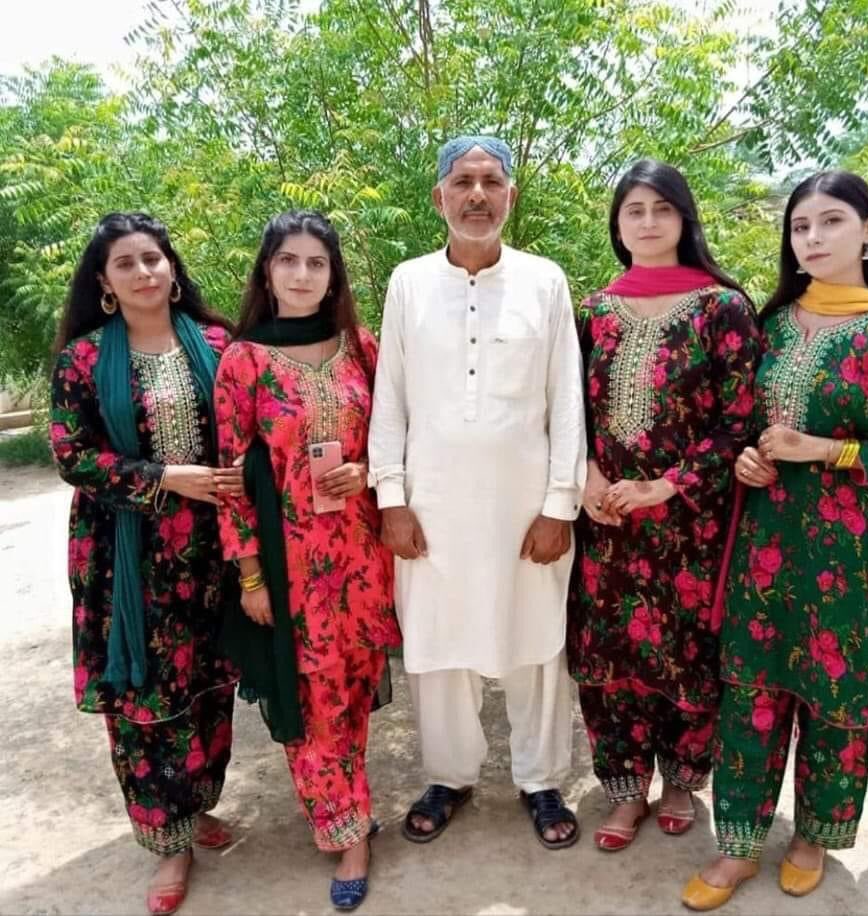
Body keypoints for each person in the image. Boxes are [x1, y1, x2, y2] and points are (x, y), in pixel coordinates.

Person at [682, 171, 868, 911]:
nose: (813, 239)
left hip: (851, 552)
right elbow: (746, 424)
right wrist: (748, 458)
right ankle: (736, 846)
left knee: (835, 694)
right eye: (801, 227)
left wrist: (829, 450)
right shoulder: (772, 324)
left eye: (831, 222)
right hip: (766, 543)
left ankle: (812, 839)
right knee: (752, 690)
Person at [368, 135, 587, 849]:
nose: (477, 196)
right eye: (462, 182)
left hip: (525, 507)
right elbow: (390, 397)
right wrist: (391, 497)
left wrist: (561, 504)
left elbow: (566, 402)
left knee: (534, 644)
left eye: (492, 182)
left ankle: (542, 779)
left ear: (511, 197)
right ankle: (451, 775)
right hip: (431, 506)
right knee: (440, 645)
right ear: (439, 198)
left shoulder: (545, 281)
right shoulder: (407, 282)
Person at [49, 212, 243, 916]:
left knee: (210, 683)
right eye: (126, 263)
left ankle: (195, 806)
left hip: (211, 549)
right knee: (145, 702)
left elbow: (247, 428)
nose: (144, 273)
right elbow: (73, 454)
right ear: (103, 281)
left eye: (153, 259)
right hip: (125, 557)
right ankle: (168, 842)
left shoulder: (218, 344)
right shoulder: (83, 360)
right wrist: (165, 476)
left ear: (172, 267)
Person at [568, 159, 760, 852]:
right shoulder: (592, 310)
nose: (647, 223)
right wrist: (589, 476)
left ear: (685, 219)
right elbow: (566, 411)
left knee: (685, 649)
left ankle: (682, 780)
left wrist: (664, 485)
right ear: (617, 225)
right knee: (610, 653)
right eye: (633, 211)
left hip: (690, 523)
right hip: (608, 522)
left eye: (661, 209)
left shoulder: (722, 308)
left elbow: (741, 420)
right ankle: (625, 790)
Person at [214, 211, 401, 910]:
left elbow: (397, 439)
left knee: (352, 693)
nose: (301, 274)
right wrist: (251, 575)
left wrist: (367, 469)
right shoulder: (245, 360)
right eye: (288, 261)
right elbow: (231, 477)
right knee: (314, 701)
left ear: (333, 276)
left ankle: (351, 800)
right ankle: (347, 830)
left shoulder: (361, 347)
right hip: (292, 568)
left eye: (315, 263)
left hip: (361, 554)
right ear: (267, 272)